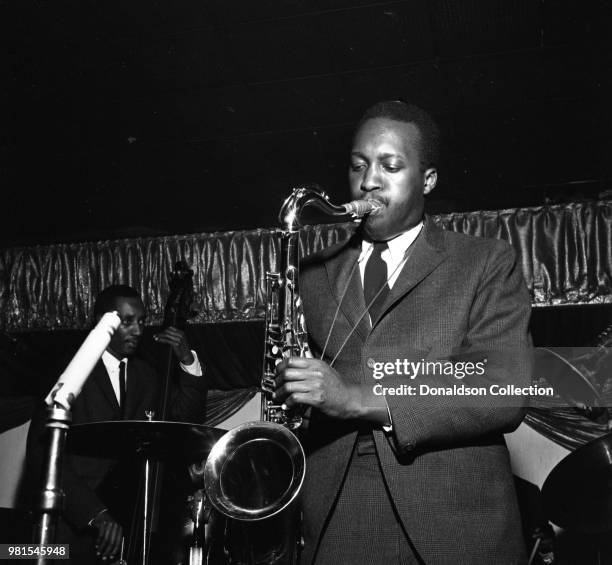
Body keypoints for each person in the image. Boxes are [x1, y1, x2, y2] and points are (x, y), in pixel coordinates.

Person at [275, 101, 532, 564]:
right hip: (335, 517)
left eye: (390, 166)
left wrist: (356, 399)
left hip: (455, 522)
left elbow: (503, 388)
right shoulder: (311, 273)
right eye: (358, 165)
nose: (369, 181)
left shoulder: (487, 262)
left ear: (428, 180)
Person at [27, 285, 207, 564]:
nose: (137, 330)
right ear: (103, 322)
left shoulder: (146, 376)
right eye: (127, 321)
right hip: (69, 532)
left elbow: (186, 422)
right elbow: (44, 456)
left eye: (142, 321)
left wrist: (187, 361)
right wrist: (95, 515)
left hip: (126, 529)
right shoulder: (69, 373)